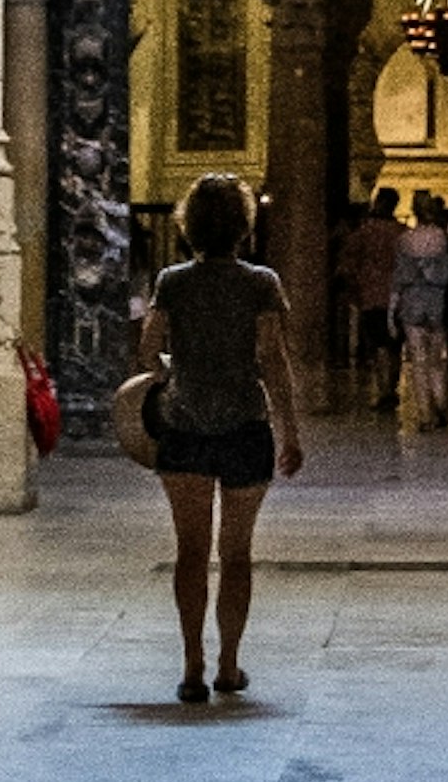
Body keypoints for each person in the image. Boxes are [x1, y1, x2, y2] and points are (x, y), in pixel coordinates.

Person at [130, 169, 304, 700]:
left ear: (189, 226)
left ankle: (191, 665)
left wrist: (170, 372)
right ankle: (229, 664)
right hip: (244, 428)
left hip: (184, 425)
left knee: (189, 552)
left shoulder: (171, 282)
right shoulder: (261, 283)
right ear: (244, 227)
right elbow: (272, 360)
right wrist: (289, 429)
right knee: (236, 554)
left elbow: (147, 349)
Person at [391, 191, 448, 435]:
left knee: (417, 359)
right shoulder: (444, 239)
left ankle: (424, 414)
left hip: (411, 300)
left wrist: (391, 310)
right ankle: (441, 405)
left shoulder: (405, 240)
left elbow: (398, 279)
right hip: (437, 299)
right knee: (438, 359)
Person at [339, 194, 402, 411]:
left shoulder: (365, 233)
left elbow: (348, 264)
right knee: (394, 345)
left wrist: (353, 286)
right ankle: (391, 388)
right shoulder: (401, 233)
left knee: (378, 344)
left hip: (371, 295)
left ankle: (384, 389)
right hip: (397, 296)